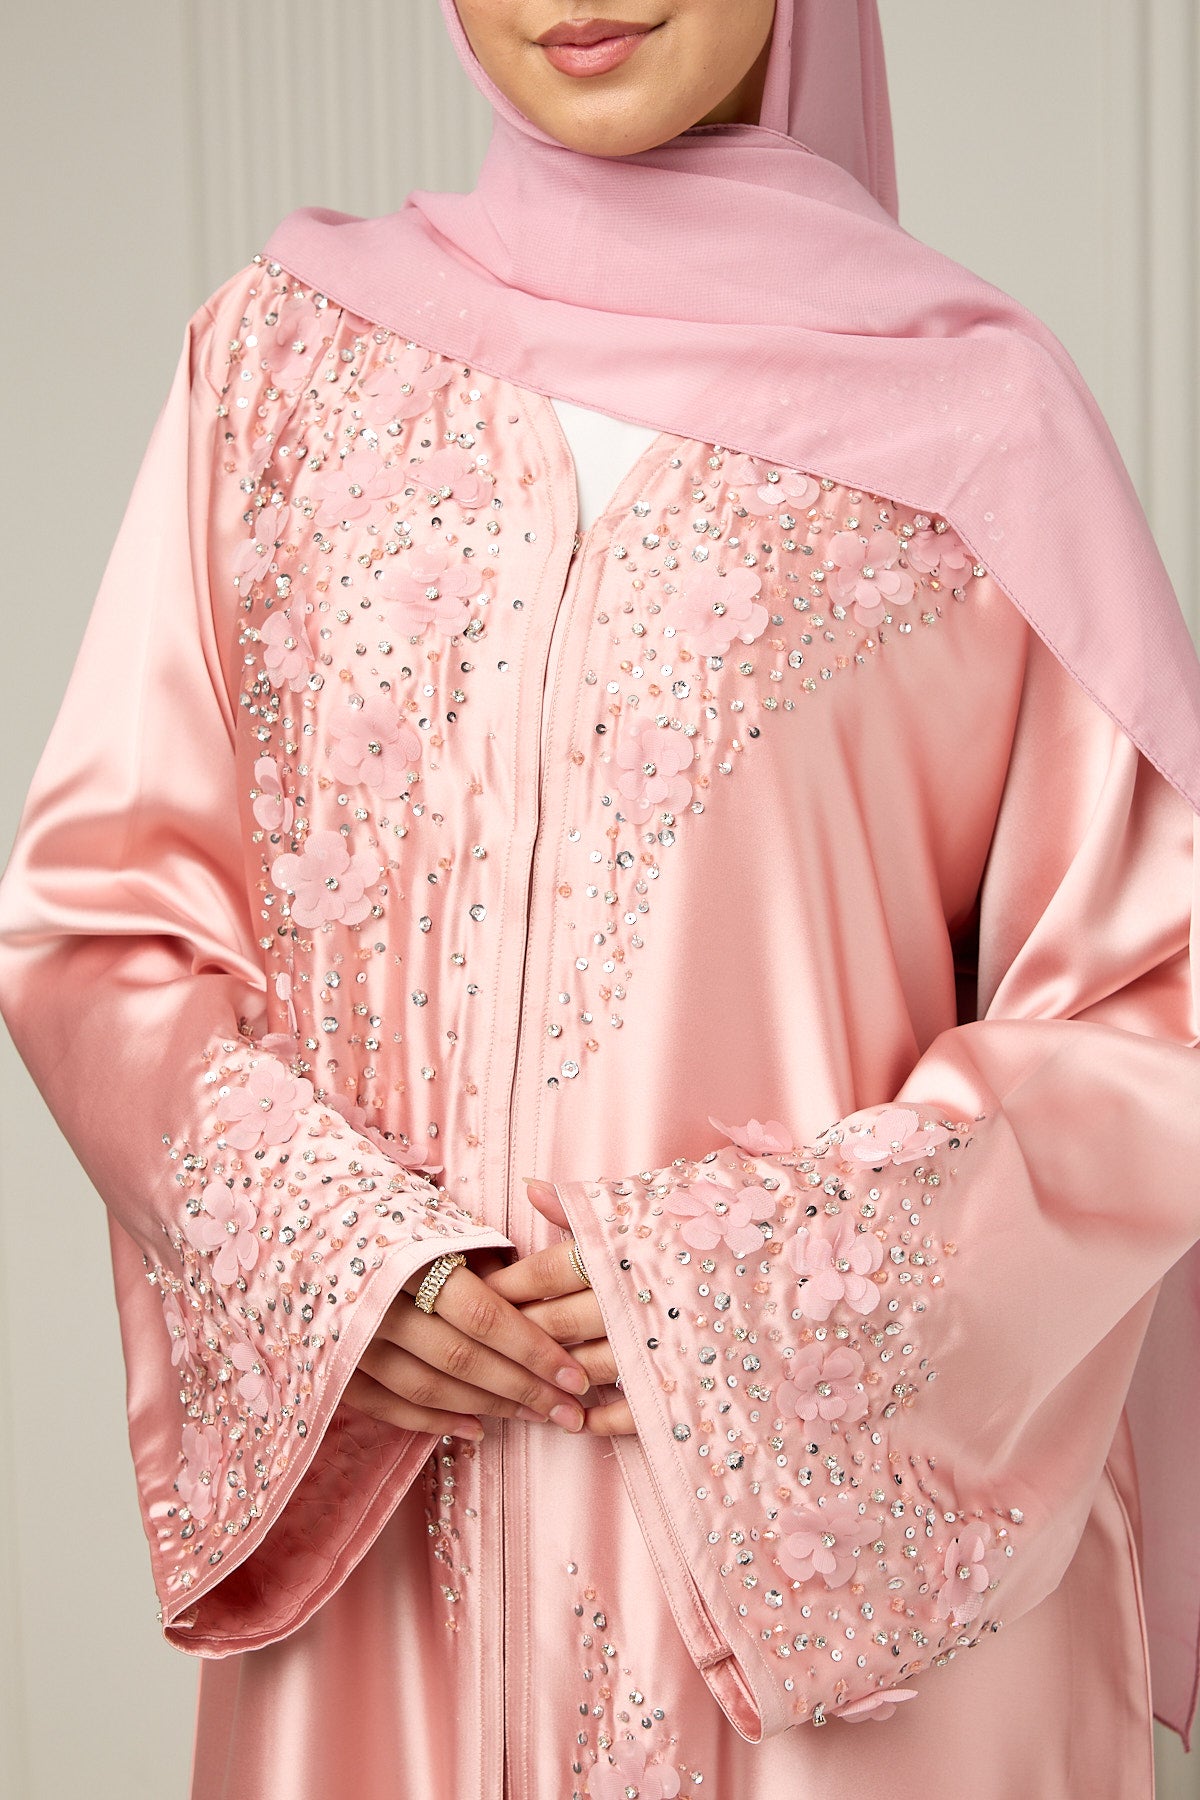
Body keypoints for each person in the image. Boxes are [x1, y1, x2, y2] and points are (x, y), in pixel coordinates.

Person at [1, 2, 1199, 1795]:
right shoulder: (278, 370)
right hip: (394, 1581)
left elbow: (1155, 1013)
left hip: (823, 1656)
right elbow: (104, 926)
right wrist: (335, 1267)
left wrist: (754, 1298)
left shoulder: (980, 433)